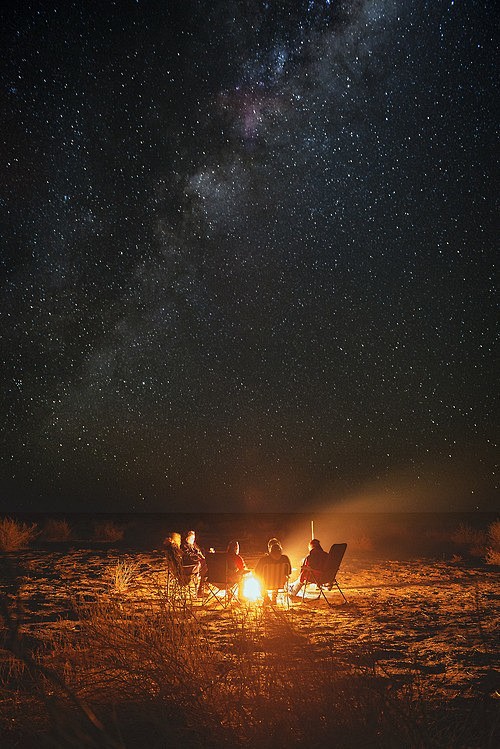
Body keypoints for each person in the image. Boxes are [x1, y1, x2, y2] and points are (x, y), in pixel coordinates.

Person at [254, 539, 292, 604]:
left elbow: (256, 572)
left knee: (259, 579)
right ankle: (274, 598)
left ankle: (266, 597)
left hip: (266, 582)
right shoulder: (285, 558)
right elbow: (289, 572)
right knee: (277, 578)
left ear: (270, 550)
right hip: (280, 583)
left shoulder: (264, 560)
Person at [181, 530, 208, 596]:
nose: (193, 540)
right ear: (187, 538)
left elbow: (199, 552)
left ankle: (203, 586)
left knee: (206, 565)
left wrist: (201, 555)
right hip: (189, 567)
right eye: (192, 538)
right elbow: (188, 556)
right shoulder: (184, 546)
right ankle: (201, 588)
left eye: (194, 538)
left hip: (195, 565)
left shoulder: (193, 545)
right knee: (205, 568)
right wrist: (197, 557)